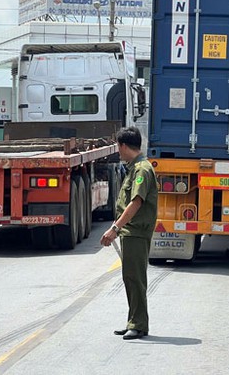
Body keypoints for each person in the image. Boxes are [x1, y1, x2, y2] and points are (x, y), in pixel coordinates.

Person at [100, 126, 158, 340]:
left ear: (124, 145)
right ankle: (134, 321)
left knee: (135, 278)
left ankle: (139, 324)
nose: (118, 151)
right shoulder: (134, 168)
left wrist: (115, 228)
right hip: (131, 231)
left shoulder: (142, 170)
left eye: (118, 146)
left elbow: (136, 202)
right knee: (130, 277)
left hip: (136, 231)